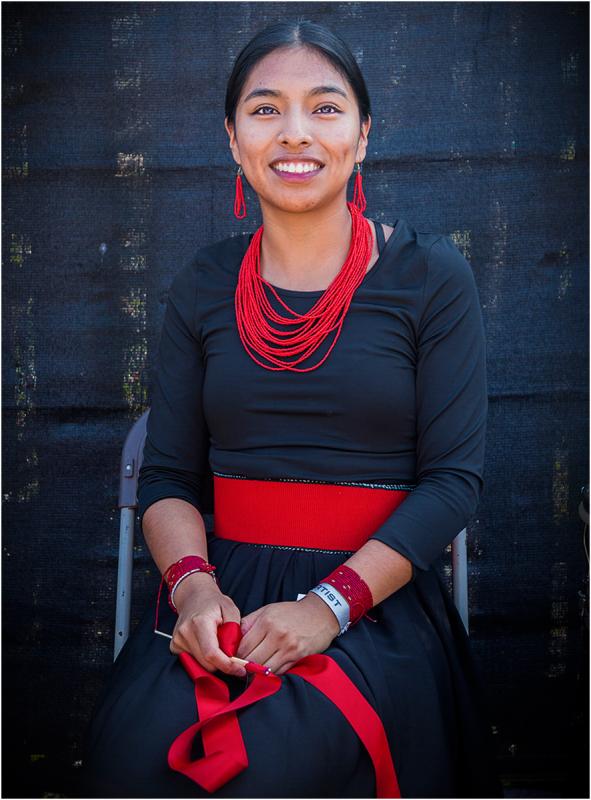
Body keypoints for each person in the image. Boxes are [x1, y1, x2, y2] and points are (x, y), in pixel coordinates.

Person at [80, 19, 504, 799]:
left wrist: (325, 608)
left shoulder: (430, 277)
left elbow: (452, 482)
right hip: (222, 593)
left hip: (373, 602)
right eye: (265, 109)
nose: (295, 132)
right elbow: (168, 475)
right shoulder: (203, 283)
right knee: (134, 762)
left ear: (363, 135)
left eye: (325, 107)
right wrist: (193, 591)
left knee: (281, 767)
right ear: (233, 140)